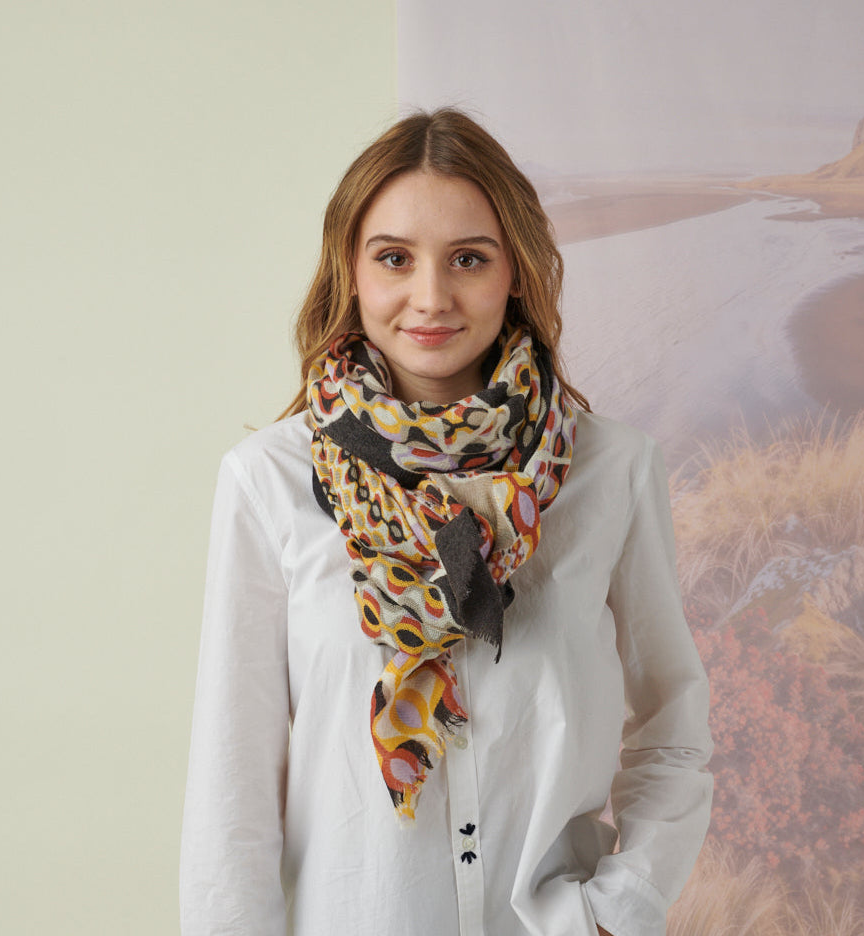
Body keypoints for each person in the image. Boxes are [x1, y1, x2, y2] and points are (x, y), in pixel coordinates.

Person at [180, 108, 713, 936]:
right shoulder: (269, 481)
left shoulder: (612, 470)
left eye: (470, 258)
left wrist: (621, 909)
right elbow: (233, 782)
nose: (431, 297)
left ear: (517, 274)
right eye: (394, 258)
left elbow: (673, 722)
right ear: (350, 272)